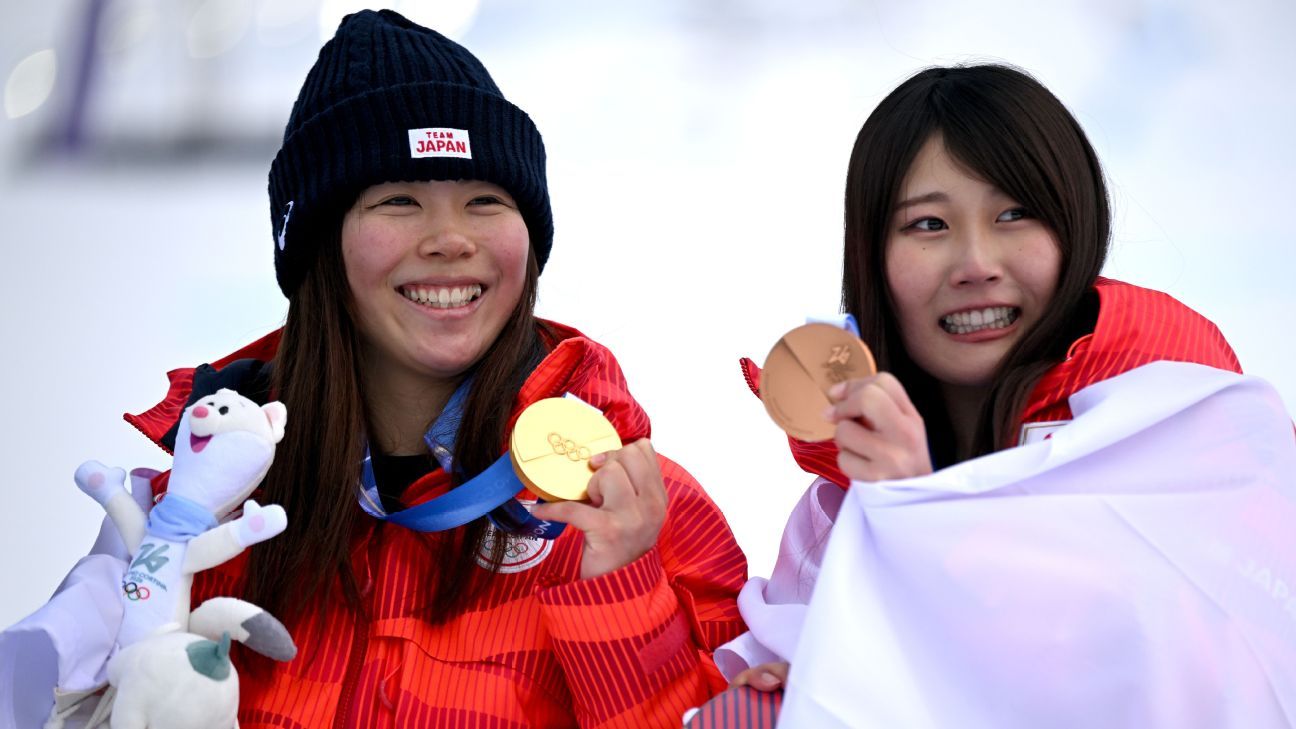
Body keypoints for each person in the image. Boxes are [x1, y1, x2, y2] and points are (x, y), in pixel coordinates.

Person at [1, 10, 747, 727]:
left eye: (485, 199)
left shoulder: (638, 511)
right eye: (399, 199)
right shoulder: (203, 518)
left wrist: (623, 594)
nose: (451, 239)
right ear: (321, 250)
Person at [715, 63, 1253, 694]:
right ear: (872, 255)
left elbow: (1144, 684)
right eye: (928, 225)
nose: (975, 264)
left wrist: (917, 517)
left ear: (1074, 225)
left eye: (1015, 213)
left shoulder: (1180, 437)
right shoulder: (842, 505)